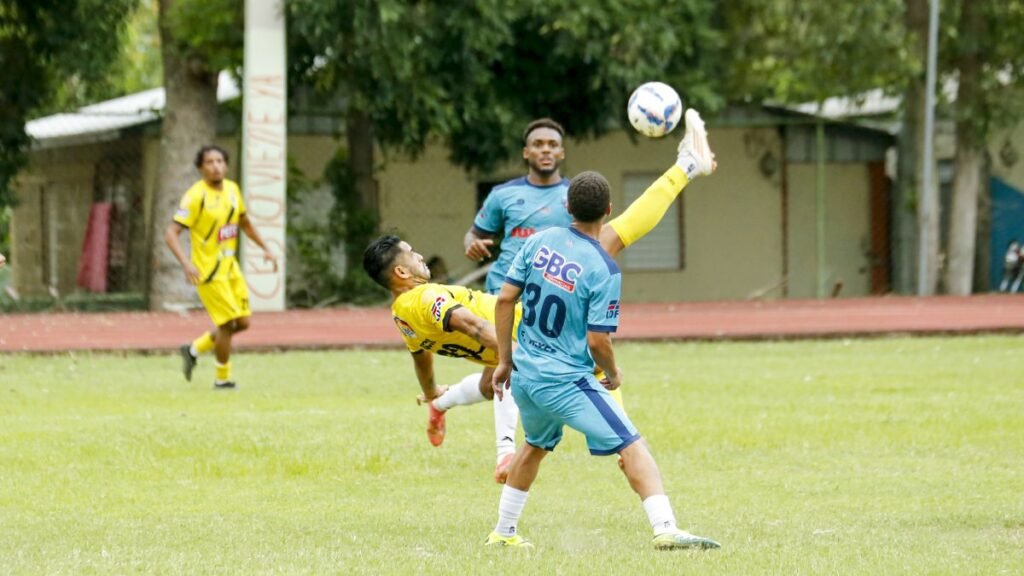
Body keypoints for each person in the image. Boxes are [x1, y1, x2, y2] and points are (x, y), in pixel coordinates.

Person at [363, 109, 715, 483]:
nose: (420, 256)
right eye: (411, 254)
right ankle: (686, 166)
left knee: (493, 383)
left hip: (530, 304)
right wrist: (515, 357)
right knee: (614, 240)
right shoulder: (431, 290)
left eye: (552, 144)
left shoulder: (402, 316)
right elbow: (474, 324)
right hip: (525, 309)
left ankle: (460, 416)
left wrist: (433, 391)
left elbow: (422, 355)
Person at [486, 166, 720, 551]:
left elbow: (506, 299)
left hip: (527, 376)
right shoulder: (603, 268)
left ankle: (503, 533)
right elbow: (598, 339)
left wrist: (505, 361)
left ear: (567, 205)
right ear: (609, 210)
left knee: (535, 445)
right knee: (633, 445)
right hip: (566, 382)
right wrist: (613, 372)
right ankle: (666, 528)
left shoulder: (539, 241)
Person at [165, 145, 279, 389]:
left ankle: (194, 349)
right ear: (200, 168)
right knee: (227, 325)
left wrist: (266, 249)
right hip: (208, 273)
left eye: (220, 161)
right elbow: (171, 233)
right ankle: (222, 379)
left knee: (244, 323)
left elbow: (245, 223)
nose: (216, 166)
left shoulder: (232, 190)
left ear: (226, 165)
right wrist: (186, 263)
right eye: (210, 162)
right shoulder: (195, 196)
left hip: (231, 269)